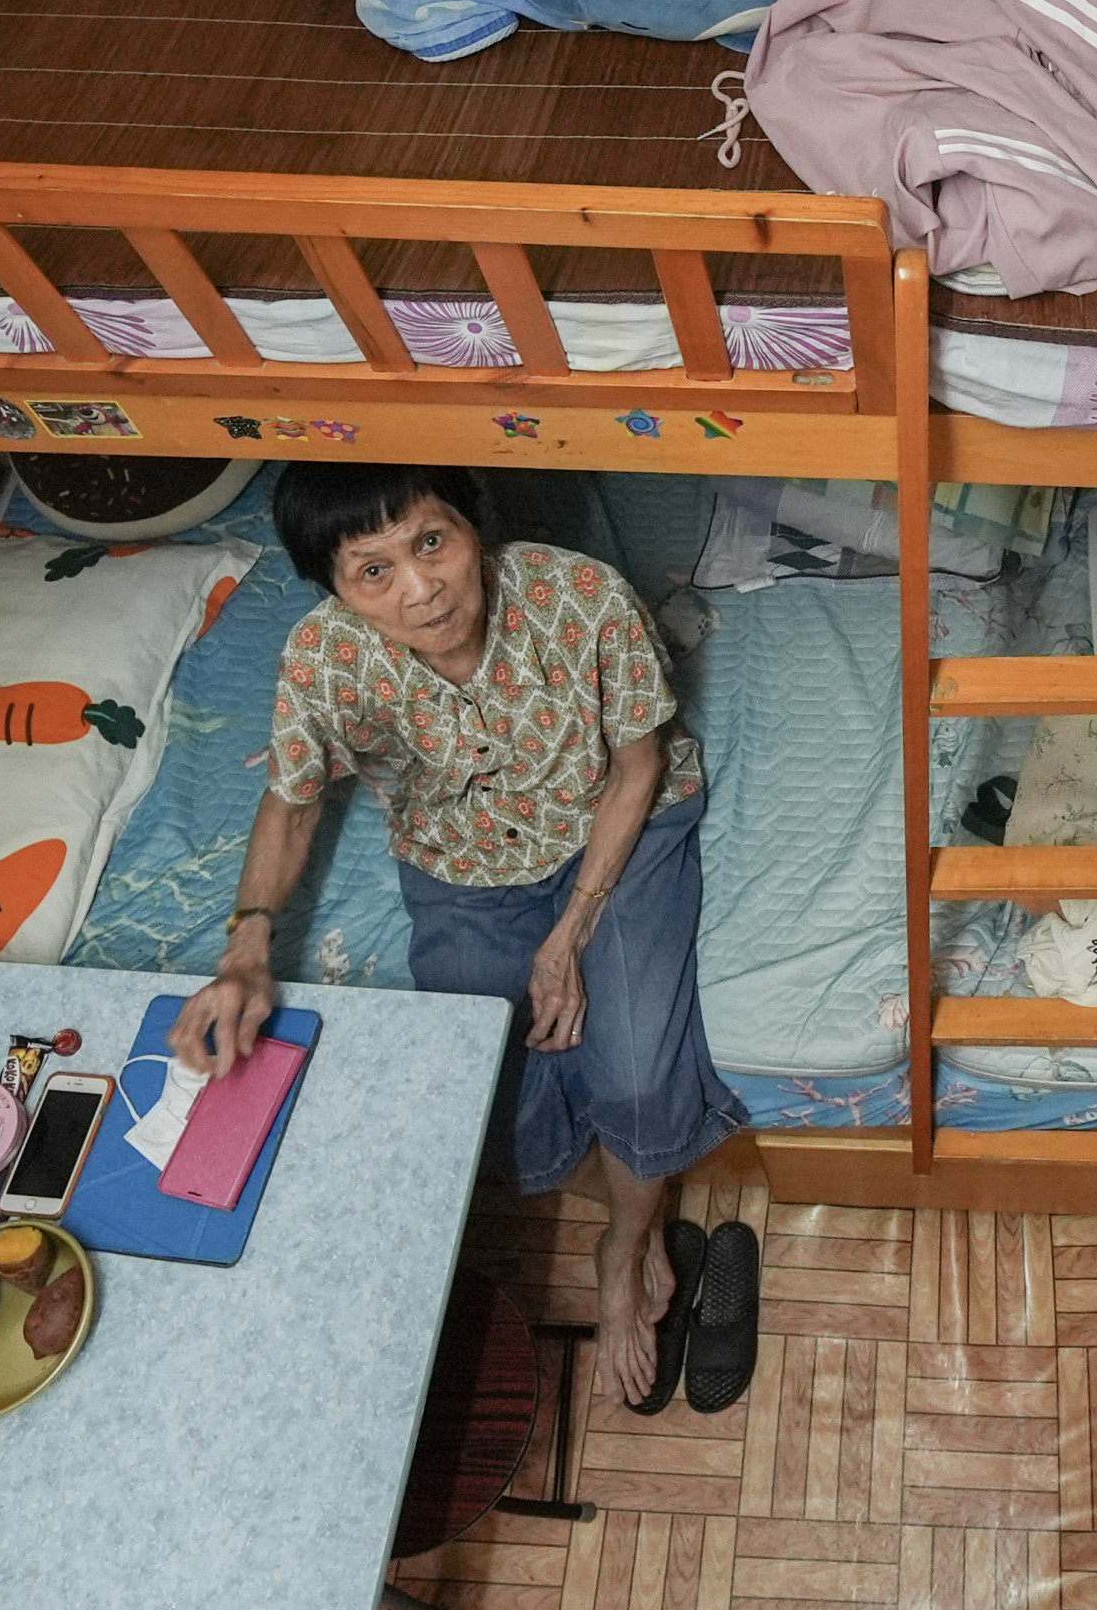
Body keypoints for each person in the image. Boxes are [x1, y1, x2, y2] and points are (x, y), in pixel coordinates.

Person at [170, 463, 746, 1412]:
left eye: (430, 543)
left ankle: (625, 1244)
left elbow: (639, 766)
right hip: (464, 861)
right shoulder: (325, 661)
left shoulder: (580, 597)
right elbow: (291, 798)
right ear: (335, 591)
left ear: (471, 531)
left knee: (638, 1066)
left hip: (619, 825)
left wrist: (569, 936)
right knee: (486, 1087)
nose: (420, 588)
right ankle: (625, 1189)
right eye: (373, 571)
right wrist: (245, 949)